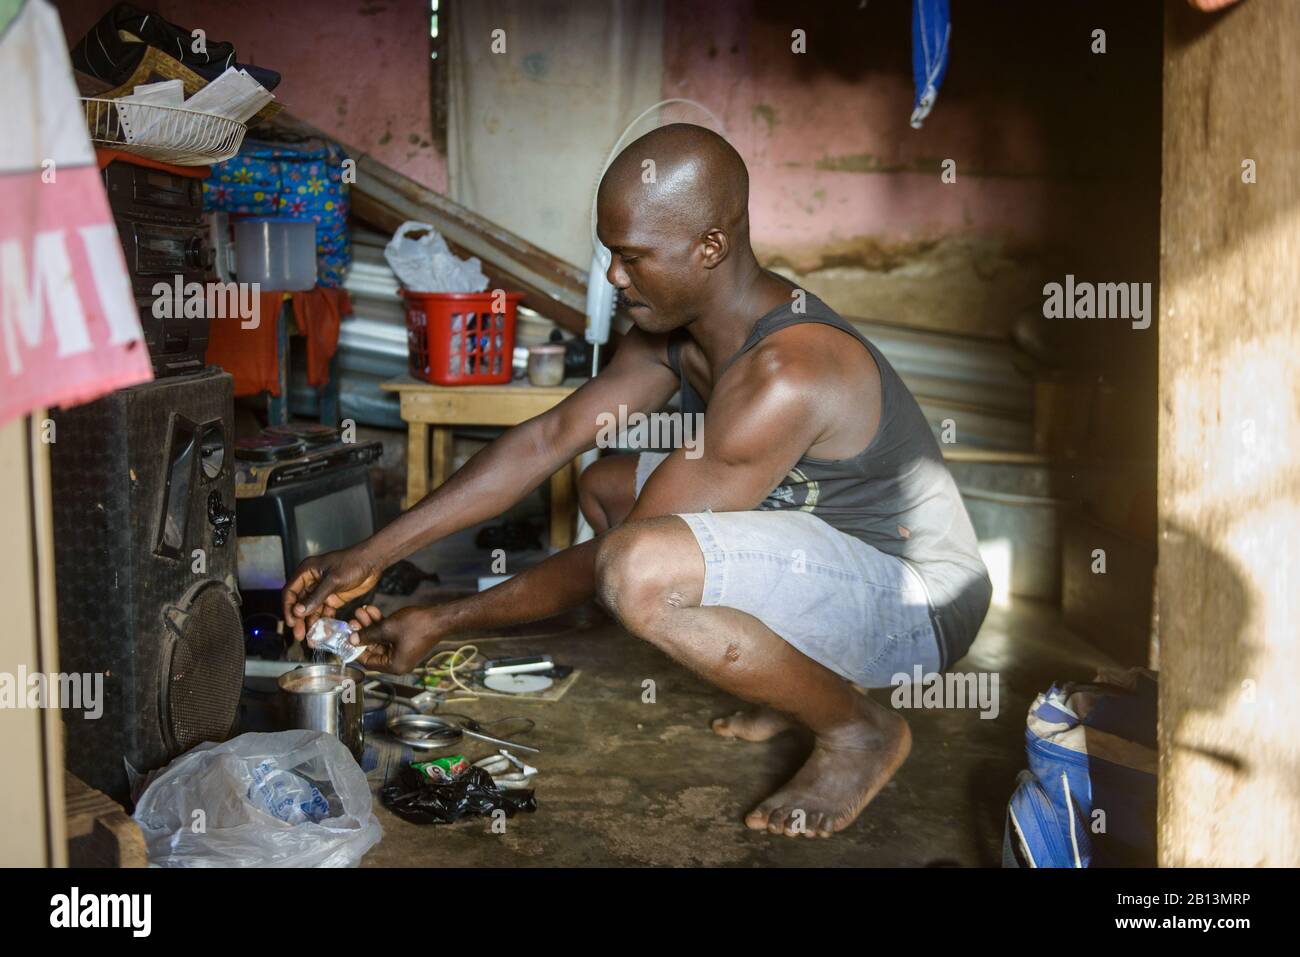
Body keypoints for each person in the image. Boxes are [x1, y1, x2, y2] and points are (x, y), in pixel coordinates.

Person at [283, 123, 992, 838]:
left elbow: (618, 560)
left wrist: (440, 618)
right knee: (608, 483)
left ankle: (857, 727)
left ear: (711, 246)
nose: (615, 277)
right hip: (830, 551)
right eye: (611, 253)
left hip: (917, 607)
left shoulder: (786, 374)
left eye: (632, 257)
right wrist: (370, 554)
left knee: (639, 571)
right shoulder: (678, 328)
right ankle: (797, 682)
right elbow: (549, 439)